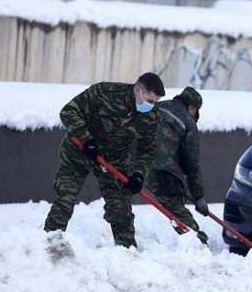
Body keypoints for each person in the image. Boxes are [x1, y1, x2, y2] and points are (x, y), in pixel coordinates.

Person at [43, 73, 165, 248]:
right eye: (150, 101)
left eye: (155, 102)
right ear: (138, 90)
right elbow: (68, 111)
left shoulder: (151, 114)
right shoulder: (105, 92)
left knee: (120, 207)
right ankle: (49, 245)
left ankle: (127, 253)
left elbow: (147, 149)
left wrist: (139, 175)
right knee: (66, 199)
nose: (152, 106)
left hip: (114, 160)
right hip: (80, 152)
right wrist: (86, 139)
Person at [147, 86, 210, 246]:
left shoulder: (158, 106)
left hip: (135, 163)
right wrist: (198, 196)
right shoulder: (188, 122)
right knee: (175, 208)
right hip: (162, 171)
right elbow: (192, 164)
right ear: (192, 108)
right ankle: (198, 244)